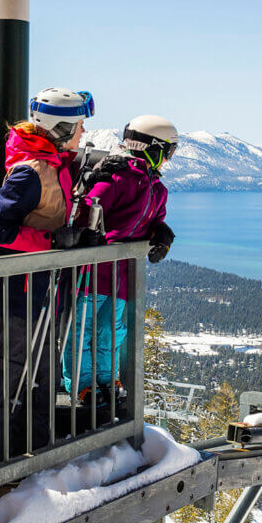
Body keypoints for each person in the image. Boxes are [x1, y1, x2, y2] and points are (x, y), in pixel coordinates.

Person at [0, 87, 97, 472]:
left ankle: (32, 455)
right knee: (9, 374)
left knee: (42, 375)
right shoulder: (30, 171)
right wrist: (51, 241)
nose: (83, 132)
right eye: (79, 125)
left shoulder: (51, 163)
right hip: (23, 292)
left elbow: (47, 216)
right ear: (61, 127)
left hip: (44, 289)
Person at [60, 114, 176, 401]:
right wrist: (89, 233)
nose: (167, 160)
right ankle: (81, 383)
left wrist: (161, 232)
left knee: (112, 329)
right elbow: (87, 210)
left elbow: (154, 219)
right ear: (154, 148)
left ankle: (105, 380)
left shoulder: (157, 189)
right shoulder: (116, 177)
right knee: (83, 328)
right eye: (167, 152)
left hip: (122, 273)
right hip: (93, 271)